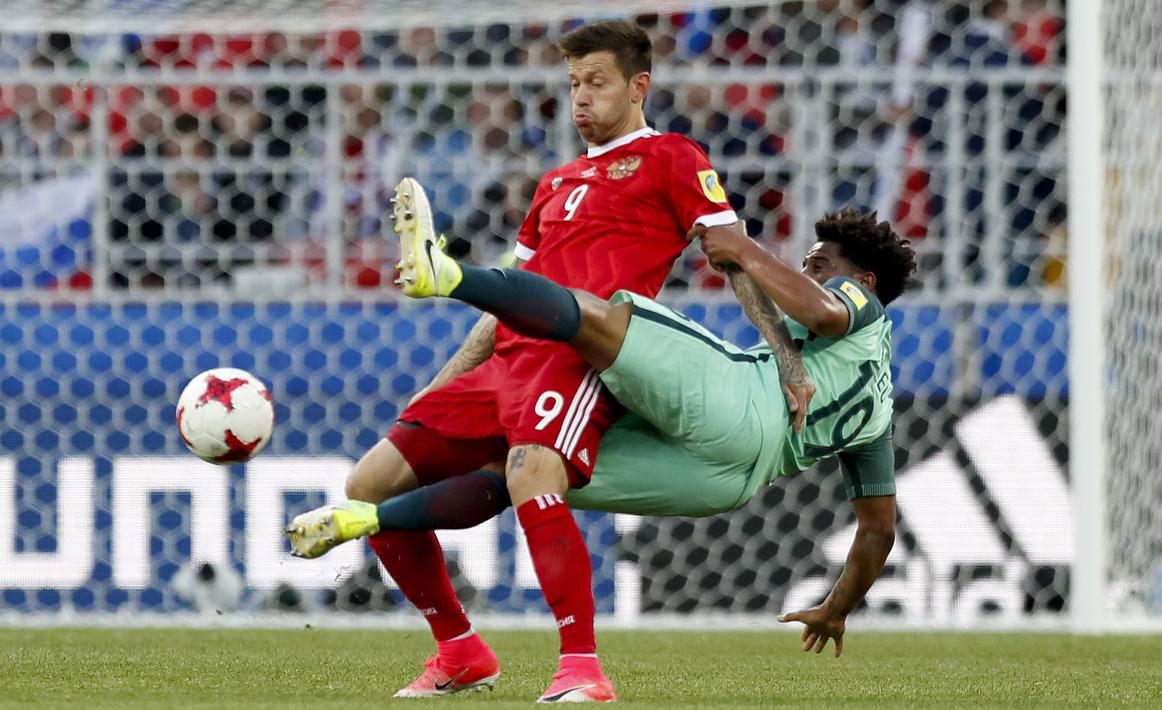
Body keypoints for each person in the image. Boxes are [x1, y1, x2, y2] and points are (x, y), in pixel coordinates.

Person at [287, 19, 808, 703]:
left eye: (595, 83)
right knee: (369, 483)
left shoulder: (674, 157)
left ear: (637, 86)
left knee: (532, 468)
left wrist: (788, 360)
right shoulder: (554, 183)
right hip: (505, 357)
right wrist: (440, 389)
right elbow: (506, 298)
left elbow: (733, 257)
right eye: (571, 86)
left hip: (581, 352)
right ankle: (460, 651)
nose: (580, 99)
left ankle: (582, 669)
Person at [289, 206, 916, 666]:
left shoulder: (859, 305)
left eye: (822, 262)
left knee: (597, 314)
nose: (808, 267)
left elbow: (825, 310)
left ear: (859, 280)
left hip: (743, 404)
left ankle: (449, 276)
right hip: (728, 481)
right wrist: (836, 608)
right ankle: (365, 521)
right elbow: (878, 529)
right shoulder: (878, 407)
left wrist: (747, 253)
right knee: (531, 469)